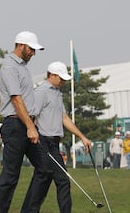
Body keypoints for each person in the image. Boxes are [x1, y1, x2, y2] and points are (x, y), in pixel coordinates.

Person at [21, 61, 92, 213]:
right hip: (42, 140)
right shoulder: (41, 91)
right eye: (61, 78)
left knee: (52, 179)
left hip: (54, 143)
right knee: (51, 178)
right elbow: (32, 114)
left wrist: (82, 137)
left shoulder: (57, 93)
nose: (64, 81)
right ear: (51, 75)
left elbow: (64, 118)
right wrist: (32, 133)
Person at [0, 31, 43, 213]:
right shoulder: (9, 67)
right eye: (31, 49)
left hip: (27, 124)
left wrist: (32, 124)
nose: (34, 53)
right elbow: (16, 99)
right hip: (16, 125)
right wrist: (30, 127)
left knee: (45, 169)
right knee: (11, 175)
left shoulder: (23, 67)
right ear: (20, 45)